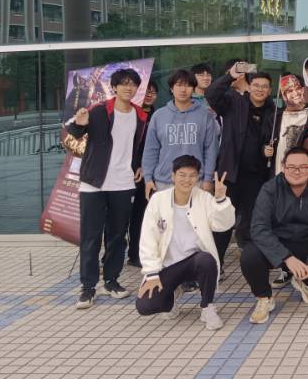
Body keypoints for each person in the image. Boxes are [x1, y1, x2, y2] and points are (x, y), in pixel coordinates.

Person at [66, 68, 149, 309]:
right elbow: (75, 132)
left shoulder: (141, 115)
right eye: (123, 84)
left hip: (123, 182)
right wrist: (80, 123)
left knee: (117, 236)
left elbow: (140, 145)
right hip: (94, 182)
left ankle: (111, 281)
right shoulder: (99, 110)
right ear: (114, 87)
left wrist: (140, 164)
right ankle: (88, 287)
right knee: (91, 237)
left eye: (132, 84)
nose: (128, 88)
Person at [242, 147, 308, 324]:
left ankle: (305, 281)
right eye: (291, 167)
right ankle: (264, 297)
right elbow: (259, 228)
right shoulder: (270, 189)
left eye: (303, 167)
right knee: (249, 256)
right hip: (278, 244)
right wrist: (286, 258)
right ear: (283, 167)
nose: (297, 172)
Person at [135, 155, 234, 330]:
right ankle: (171, 299)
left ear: (198, 177)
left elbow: (223, 225)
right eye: (182, 175)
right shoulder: (158, 200)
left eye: (192, 175)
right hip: (168, 266)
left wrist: (220, 200)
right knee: (146, 306)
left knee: (206, 260)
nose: (187, 180)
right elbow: (148, 239)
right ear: (173, 176)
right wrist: (151, 274)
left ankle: (207, 307)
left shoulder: (204, 198)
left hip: (195, 261)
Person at [206, 64, 275, 267]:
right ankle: (215, 263)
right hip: (230, 172)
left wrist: (266, 149)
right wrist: (230, 76)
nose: (260, 89)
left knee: (254, 219)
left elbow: (271, 138)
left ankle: (251, 260)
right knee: (223, 218)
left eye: (264, 86)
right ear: (249, 86)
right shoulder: (233, 101)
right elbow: (211, 95)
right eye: (256, 85)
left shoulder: (272, 110)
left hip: (257, 175)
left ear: (270, 90)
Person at [142, 69, 219, 197]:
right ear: (171, 88)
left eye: (188, 85)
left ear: (193, 89)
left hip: (196, 181)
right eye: (179, 85)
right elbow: (151, 149)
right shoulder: (159, 116)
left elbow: (210, 149)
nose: (183, 90)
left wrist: (208, 179)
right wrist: (148, 178)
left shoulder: (205, 115)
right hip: (164, 182)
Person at [128, 78, 158, 268]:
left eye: (153, 92)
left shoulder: (157, 115)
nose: (149, 95)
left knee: (143, 214)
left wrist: (145, 166)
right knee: (126, 215)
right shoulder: (131, 114)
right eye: (146, 91)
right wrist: (136, 164)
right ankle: (127, 254)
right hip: (128, 170)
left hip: (148, 173)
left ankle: (137, 253)